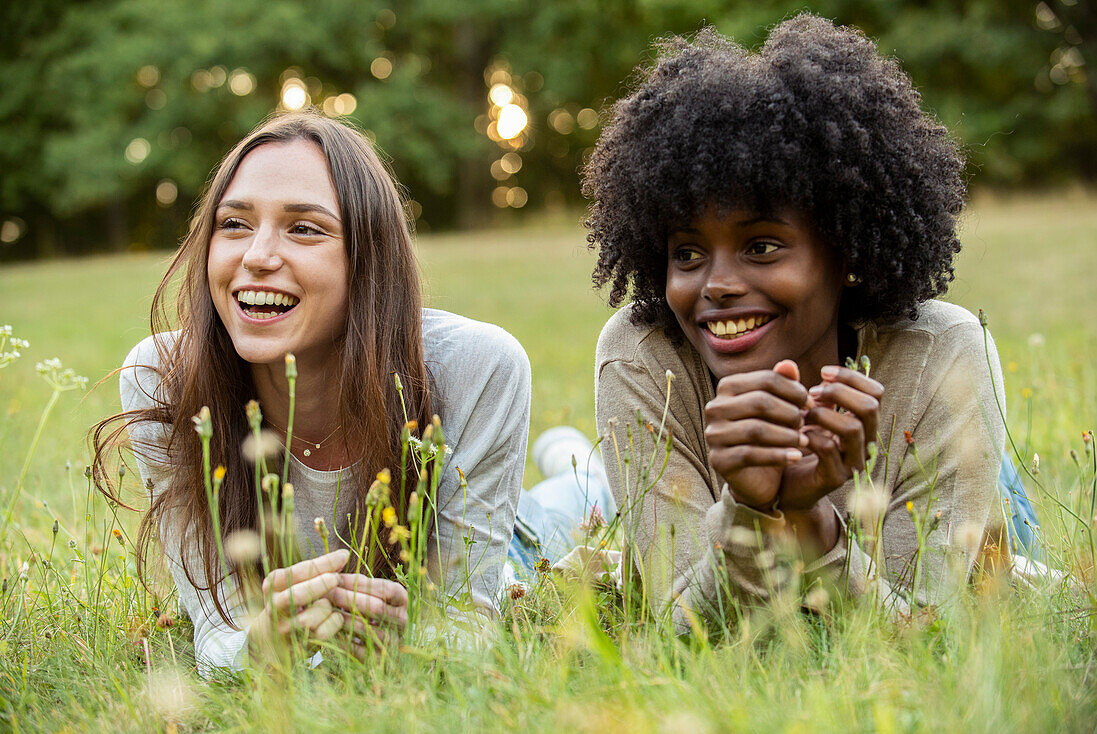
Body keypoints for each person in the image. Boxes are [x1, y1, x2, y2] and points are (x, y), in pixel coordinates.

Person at [582, 16, 1028, 630]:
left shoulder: (943, 352)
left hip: (957, 481)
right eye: (687, 253)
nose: (716, 284)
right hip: (638, 488)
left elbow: (923, 636)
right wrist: (750, 508)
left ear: (845, 252)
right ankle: (566, 464)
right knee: (564, 513)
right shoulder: (643, 356)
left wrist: (811, 522)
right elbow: (679, 634)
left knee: (1006, 550)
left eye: (762, 246)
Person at [93, 112, 531, 674]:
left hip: (511, 548)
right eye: (234, 224)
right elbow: (215, 628)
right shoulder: (164, 379)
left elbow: (469, 625)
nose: (256, 255)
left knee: (564, 512)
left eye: (304, 228)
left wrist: (417, 641)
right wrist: (261, 644)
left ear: (369, 259)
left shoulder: (477, 367)